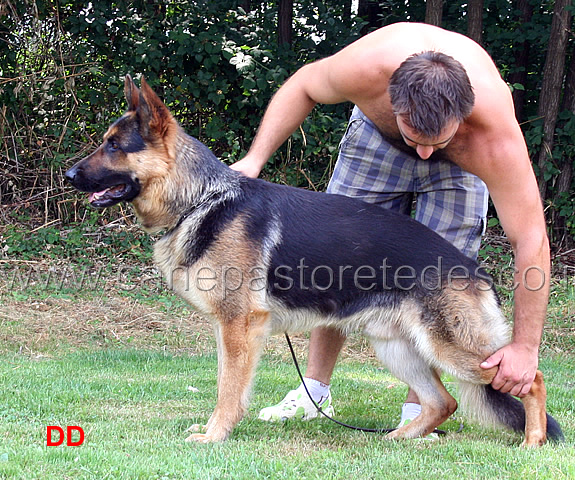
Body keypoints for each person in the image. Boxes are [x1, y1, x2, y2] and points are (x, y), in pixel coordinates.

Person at [230, 22, 550, 429]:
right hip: (375, 147)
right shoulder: (368, 66)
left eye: (436, 140)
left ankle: (421, 409)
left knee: (438, 286)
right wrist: (255, 160)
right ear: (392, 103)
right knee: (333, 262)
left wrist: (524, 346)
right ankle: (313, 390)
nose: (424, 152)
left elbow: (531, 239)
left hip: (463, 165)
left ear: (462, 114)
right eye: (415, 135)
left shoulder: (494, 138)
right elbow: (303, 86)